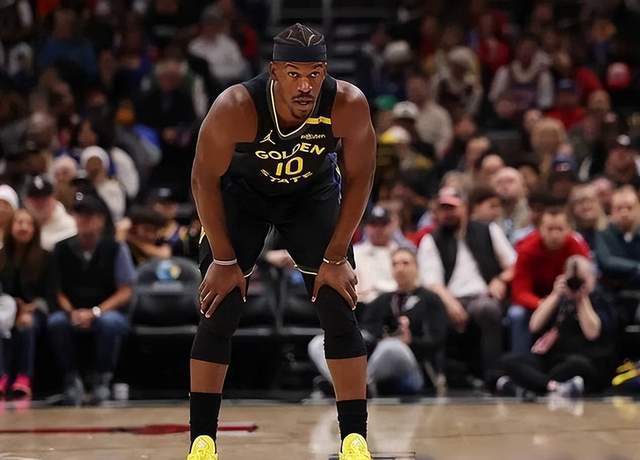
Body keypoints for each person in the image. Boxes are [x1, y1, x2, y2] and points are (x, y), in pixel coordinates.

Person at [189, 24, 376, 460]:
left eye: (314, 74)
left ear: (325, 71)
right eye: (294, 74)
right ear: (274, 72)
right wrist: (223, 260)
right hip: (243, 197)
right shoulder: (237, 106)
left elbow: (360, 178)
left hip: (310, 196)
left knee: (338, 304)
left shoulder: (347, 103)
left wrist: (336, 256)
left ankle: (355, 439)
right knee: (220, 307)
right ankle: (202, 441)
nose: (305, 85)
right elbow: (203, 180)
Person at [309, 248, 448, 396]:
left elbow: (437, 340)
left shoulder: (431, 300)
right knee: (318, 343)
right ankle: (343, 383)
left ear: (417, 267)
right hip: (377, 362)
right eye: (395, 264)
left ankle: (354, 386)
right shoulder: (382, 300)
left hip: (416, 367)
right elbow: (366, 332)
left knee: (392, 347)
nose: (400, 268)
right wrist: (380, 336)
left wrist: (410, 341)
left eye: (405, 263)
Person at [418, 187, 516, 383]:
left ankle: (494, 377)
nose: (448, 213)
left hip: (482, 296)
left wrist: (500, 279)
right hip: (449, 298)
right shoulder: (431, 240)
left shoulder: (488, 230)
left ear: (465, 208)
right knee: (432, 311)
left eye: (452, 208)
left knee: (487, 309)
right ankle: (440, 377)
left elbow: (514, 264)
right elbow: (432, 282)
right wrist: (450, 303)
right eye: (443, 208)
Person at [48, 193, 134, 406]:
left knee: (110, 323)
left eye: (89, 215)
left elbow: (125, 291)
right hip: (72, 310)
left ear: (101, 219)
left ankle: (102, 379)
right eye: (79, 214)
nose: (83, 220)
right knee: (56, 322)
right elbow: (57, 291)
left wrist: (96, 312)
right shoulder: (61, 248)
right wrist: (72, 313)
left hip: (105, 310)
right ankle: (71, 379)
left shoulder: (116, 248)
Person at [499, 256, 616, 397]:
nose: (575, 283)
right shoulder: (560, 299)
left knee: (577, 365)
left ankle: (532, 385)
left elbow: (592, 333)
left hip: (583, 359)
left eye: (581, 279)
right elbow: (534, 325)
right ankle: (552, 387)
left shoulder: (600, 299)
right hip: (551, 361)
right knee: (509, 360)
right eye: (571, 279)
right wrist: (555, 295)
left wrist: (582, 299)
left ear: (593, 278)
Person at [509, 208, 590, 354]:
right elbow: (520, 292)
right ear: (540, 229)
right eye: (550, 229)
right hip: (536, 301)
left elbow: (587, 280)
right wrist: (541, 304)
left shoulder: (576, 247)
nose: (554, 235)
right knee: (517, 314)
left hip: (568, 298)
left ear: (569, 230)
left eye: (560, 229)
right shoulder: (527, 250)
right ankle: (521, 358)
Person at [0, 209, 55, 399]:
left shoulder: (46, 257)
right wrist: (12, 307)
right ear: (11, 227)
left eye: (28, 223)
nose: (23, 227)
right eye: (19, 222)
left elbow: (51, 293)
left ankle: (24, 378)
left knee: (26, 325)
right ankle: (2, 377)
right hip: (6, 309)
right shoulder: (1, 257)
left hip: (36, 310)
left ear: (35, 229)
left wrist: (31, 308)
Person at [23, 175, 77, 251]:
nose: (40, 203)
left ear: (54, 198)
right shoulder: (20, 228)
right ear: (26, 202)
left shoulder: (71, 227)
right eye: (35, 199)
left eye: (44, 198)